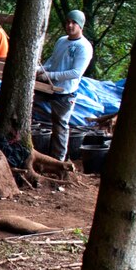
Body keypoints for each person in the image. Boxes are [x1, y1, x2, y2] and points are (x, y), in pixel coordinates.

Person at [35, 9, 94, 160]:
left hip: (65, 92)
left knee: (60, 126)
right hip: (47, 88)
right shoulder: (62, 41)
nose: (69, 25)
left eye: (74, 22)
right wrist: (39, 70)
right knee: (29, 110)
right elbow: (52, 62)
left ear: (80, 25)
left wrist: (51, 76)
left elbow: (76, 72)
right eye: (68, 22)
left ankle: (58, 159)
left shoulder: (84, 47)